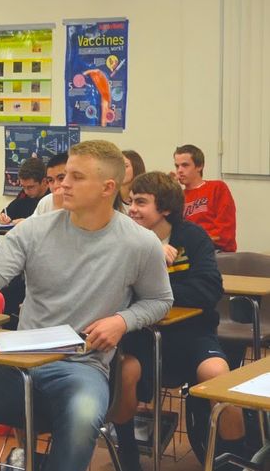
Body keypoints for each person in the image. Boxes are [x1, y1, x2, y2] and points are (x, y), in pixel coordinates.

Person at [0, 140, 173, 471]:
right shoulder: (34, 230)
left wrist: (122, 321)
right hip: (18, 362)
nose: (62, 185)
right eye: (61, 176)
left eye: (76, 177)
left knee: (83, 415)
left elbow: (160, 300)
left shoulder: (140, 243)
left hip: (82, 367)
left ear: (107, 188)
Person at [113, 171, 245, 470]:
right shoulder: (124, 240)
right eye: (131, 201)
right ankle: (129, 457)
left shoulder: (192, 237)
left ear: (165, 208)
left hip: (191, 333)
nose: (132, 209)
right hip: (140, 336)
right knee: (125, 373)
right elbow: (116, 293)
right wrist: (150, 254)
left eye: (141, 202)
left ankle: (235, 462)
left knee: (219, 375)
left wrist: (158, 293)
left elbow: (208, 289)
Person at [173, 144, 237, 252]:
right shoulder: (177, 197)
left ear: (199, 166)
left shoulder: (217, 188)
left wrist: (196, 241)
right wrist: (169, 188)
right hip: (186, 251)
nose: (179, 170)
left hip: (216, 250)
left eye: (185, 165)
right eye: (177, 166)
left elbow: (225, 231)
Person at [0, 157, 49, 225]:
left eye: (30, 187)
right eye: (23, 186)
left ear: (44, 181)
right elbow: (8, 213)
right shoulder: (24, 195)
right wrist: (3, 217)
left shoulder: (53, 198)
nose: (26, 191)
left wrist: (28, 223)